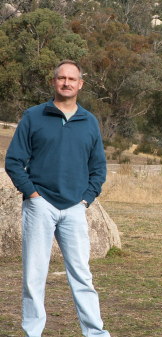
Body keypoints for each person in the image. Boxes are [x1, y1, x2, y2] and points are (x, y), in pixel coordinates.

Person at [5, 60, 111, 337]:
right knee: (34, 276)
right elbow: (14, 161)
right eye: (61, 78)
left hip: (75, 208)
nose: (66, 83)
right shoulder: (33, 116)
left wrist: (85, 200)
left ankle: (95, 332)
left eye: (72, 79)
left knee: (82, 275)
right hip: (40, 206)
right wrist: (32, 194)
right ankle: (33, 332)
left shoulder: (89, 121)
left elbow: (98, 168)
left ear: (80, 84)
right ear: (54, 82)